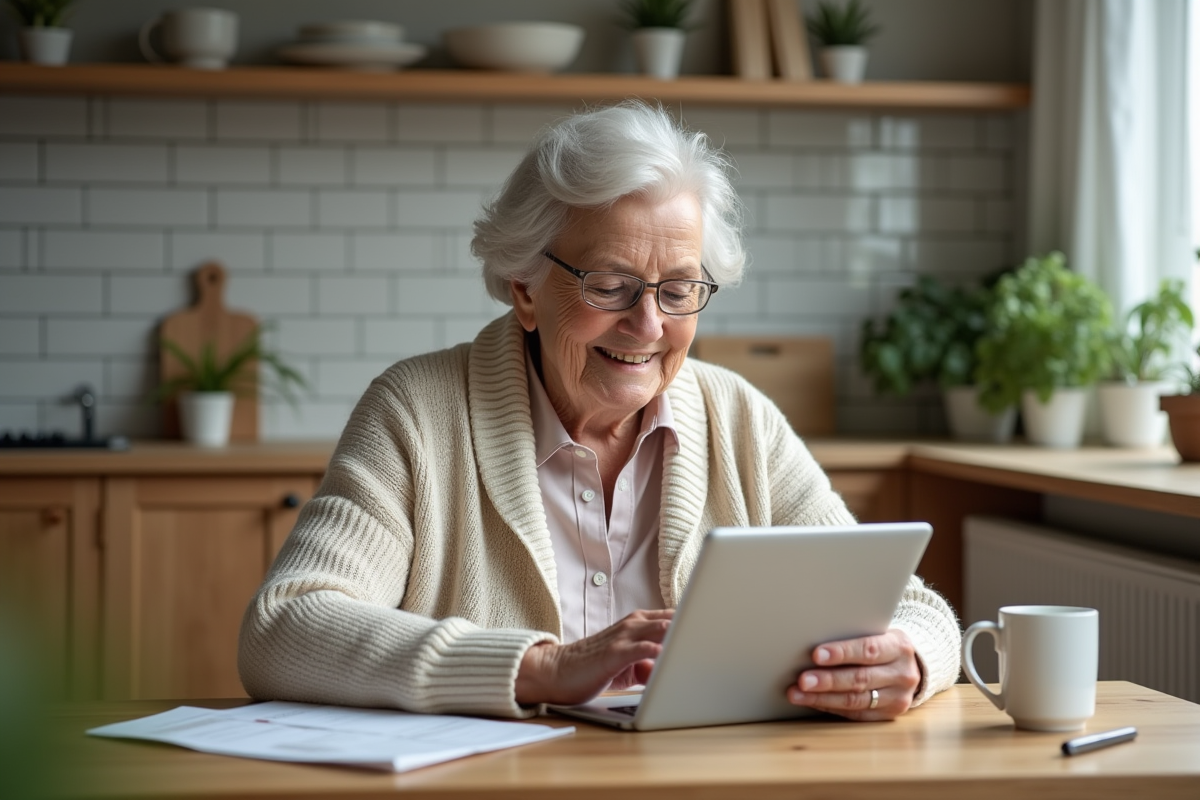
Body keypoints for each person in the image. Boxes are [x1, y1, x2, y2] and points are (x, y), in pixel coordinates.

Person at [238, 102, 961, 722]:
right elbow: (283, 628)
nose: (647, 325)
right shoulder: (419, 413)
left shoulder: (739, 418)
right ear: (524, 285)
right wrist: (542, 668)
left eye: (678, 290)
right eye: (611, 285)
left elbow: (916, 611)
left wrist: (907, 661)